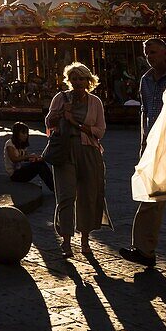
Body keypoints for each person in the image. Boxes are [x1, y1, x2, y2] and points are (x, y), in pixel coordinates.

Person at [120, 38, 166, 267]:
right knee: (152, 195)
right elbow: (145, 113)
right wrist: (144, 143)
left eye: (152, 52)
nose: (149, 56)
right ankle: (144, 249)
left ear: (164, 53)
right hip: (155, 146)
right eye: (146, 53)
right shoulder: (145, 80)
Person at [45, 62, 111, 259]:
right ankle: (66, 241)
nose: (78, 82)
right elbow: (49, 123)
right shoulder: (61, 98)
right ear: (69, 80)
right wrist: (60, 113)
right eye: (74, 78)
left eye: (81, 78)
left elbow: (100, 130)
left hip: (89, 151)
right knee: (66, 196)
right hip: (65, 151)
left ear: (89, 81)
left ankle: (85, 240)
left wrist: (78, 124)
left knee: (88, 196)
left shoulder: (96, 102)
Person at [4, 122, 54, 191]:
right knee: (39, 166)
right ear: (17, 134)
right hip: (14, 174)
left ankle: (54, 185)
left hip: (21, 168)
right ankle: (53, 187)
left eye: (27, 133)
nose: (26, 136)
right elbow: (14, 159)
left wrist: (35, 158)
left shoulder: (22, 144)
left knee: (40, 163)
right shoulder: (9, 144)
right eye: (23, 133)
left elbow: (25, 158)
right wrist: (28, 157)